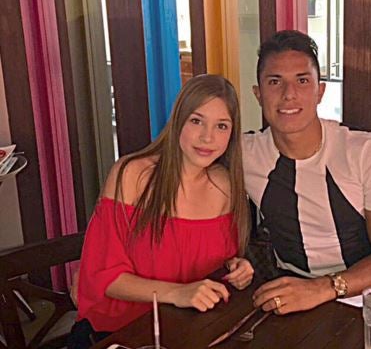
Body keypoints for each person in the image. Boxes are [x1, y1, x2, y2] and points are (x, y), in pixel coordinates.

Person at [70, 75, 254, 348]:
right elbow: (102, 276)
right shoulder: (131, 175)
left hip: (190, 329)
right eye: (196, 121)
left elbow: (220, 261)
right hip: (120, 332)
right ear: (177, 120)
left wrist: (237, 268)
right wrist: (178, 293)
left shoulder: (226, 185)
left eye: (221, 126)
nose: (208, 137)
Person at [243, 30, 371, 315]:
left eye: (302, 80)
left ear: (319, 91)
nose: (289, 94)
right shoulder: (245, 154)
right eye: (275, 82)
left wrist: (322, 289)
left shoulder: (365, 152)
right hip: (287, 295)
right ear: (258, 94)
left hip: (361, 301)